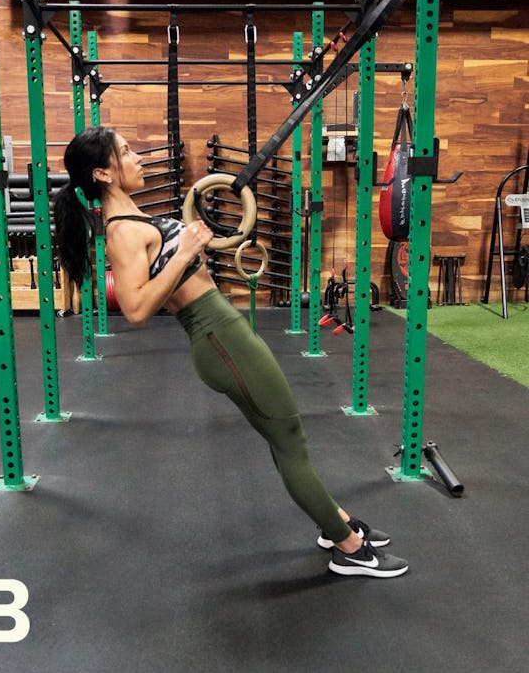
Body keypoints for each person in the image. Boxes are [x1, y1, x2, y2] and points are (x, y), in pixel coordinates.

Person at [54, 125, 408, 579]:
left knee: (284, 437)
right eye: (125, 152)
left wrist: (192, 246)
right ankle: (350, 549)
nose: (138, 157)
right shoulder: (121, 231)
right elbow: (137, 308)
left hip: (224, 331)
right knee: (290, 439)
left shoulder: (135, 219)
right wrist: (184, 254)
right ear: (103, 173)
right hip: (217, 337)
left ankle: (334, 521)